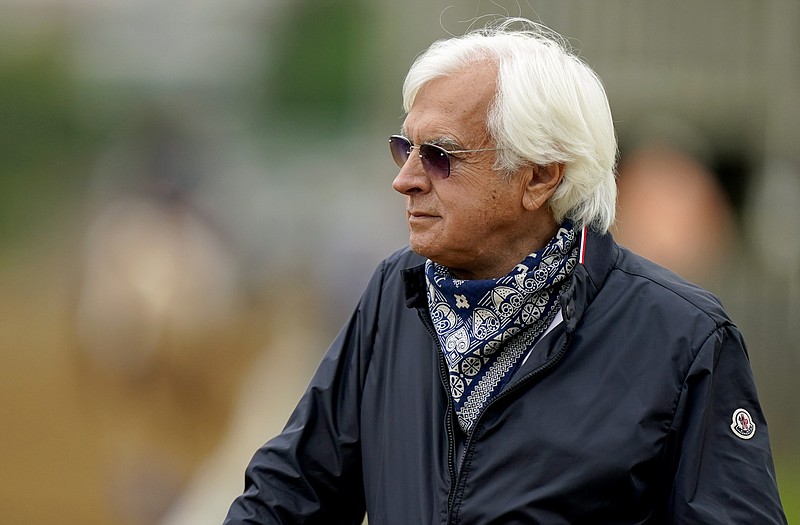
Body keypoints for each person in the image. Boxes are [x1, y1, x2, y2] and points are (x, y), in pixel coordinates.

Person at [223, 18, 787, 524]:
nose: (407, 179)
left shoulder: (683, 337)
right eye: (405, 148)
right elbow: (292, 493)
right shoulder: (396, 294)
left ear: (539, 176)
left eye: (440, 156)